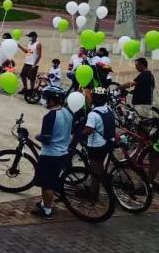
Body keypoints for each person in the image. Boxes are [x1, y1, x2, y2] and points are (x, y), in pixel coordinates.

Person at [31, 87, 74, 220]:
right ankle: (45, 202)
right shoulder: (67, 112)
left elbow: (46, 137)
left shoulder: (50, 116)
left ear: (52, 100)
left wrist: (37, 136)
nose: (44, 101)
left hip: (50, 154)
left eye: (46, 99)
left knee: (46, 184)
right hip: (63, 152)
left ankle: (47, 211)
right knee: (52, 180)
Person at [80, 87, 117, 199]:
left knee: (95, 170)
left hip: (96, 145)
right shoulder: (108, 108)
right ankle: (98, 186)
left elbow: (88, 131)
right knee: (100, 166)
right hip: (108, 142)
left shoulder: (93, 114)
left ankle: (93, 194)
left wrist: (78, 133)